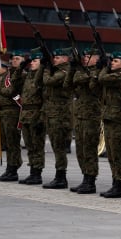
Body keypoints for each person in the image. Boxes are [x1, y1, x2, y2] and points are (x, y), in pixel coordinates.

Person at [65, 48, 102, 194]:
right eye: (85, 56)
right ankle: (85, 177)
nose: (85, 58)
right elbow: (68, 85)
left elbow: (87, 83)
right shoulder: (82, 71)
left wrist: (80, 73)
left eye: (89, 56)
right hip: (80, 116)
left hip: (91, 116)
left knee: (89, 149)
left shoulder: (98, 71)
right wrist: (72, 68)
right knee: (80, 149)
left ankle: (91, 180)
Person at [96, 51, 121, 198]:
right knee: (111, 153)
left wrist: (104, 67)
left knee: (117, 154)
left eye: (116, 61)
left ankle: (118, 185)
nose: (112, 63)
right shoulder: (112, 75)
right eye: (112, 61)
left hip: (117, 119)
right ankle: (115, 183)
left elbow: (102, 78)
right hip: (109, 117)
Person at [42, 48, 73, 189]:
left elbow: (48, 81)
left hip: (60, 116)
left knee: (59, 147)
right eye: (54, 57)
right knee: (56, 146)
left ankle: (61, 177)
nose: (54, 59)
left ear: (66, 59)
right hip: (53, 114)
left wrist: (47, 69)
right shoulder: (58, 71)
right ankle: (59, 176)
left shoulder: (64, 72)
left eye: (58, 57)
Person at [0, 51, 25, 181]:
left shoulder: (21, 75)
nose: (13, 61)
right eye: (12, 59)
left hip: (13, 111)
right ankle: (9, 168)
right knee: (7, 142)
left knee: (13, 142)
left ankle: (13, 168)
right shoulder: (8, 74)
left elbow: (11, 90)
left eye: (17, 58)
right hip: (4, 112)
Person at [18, 48, 46, 185]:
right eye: (32, 61)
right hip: (26, 114)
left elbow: (45, 99)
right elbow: (14, 79)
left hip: (36, 114)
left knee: (37, 146)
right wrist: (22, 66)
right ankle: (32, 172)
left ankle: (37, 173)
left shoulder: (42, 76)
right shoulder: (28, 75)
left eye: (35, 61)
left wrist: (41, 118)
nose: (32, 63)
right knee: (29, 145)